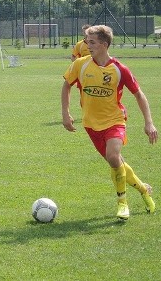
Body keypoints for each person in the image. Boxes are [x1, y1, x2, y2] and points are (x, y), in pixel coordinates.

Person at [61, 24, 157, 220]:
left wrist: (149, 123)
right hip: (90, 124)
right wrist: (65, 113)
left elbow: (139, 94)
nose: (87, 45)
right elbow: (66, 86)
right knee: (117, 163)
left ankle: (122, 203)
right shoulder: (80, 65)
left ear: (104, 45)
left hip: (115, 121)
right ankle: (143, 189)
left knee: (114, 157)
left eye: (92, 42)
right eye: (87, 41)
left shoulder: (119, 69)